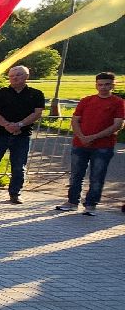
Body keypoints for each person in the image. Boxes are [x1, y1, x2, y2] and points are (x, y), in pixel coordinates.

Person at [0, 65, 46, 204]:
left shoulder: (36, 94)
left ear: (26, 76)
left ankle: (15, 194)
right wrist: (7, 125)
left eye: (18, 75)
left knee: (19, 167)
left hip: (22, 135)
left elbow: (37, 113)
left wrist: (19, 125)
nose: (14, 78)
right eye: (12, 75)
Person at [56, 71, 124, 215]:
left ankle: (91, 205)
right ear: (96, 85)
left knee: (97, 176)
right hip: (80, 144)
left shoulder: (118, 102)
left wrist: (94, 137)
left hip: (103, 146)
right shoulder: (86, 100)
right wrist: (81, 136)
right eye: (100, 85)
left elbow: (117, 125)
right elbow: (75, 120)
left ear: (113, 85)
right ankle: (72, 202)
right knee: (76, 174)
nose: (103, 87)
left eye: (107, 84)